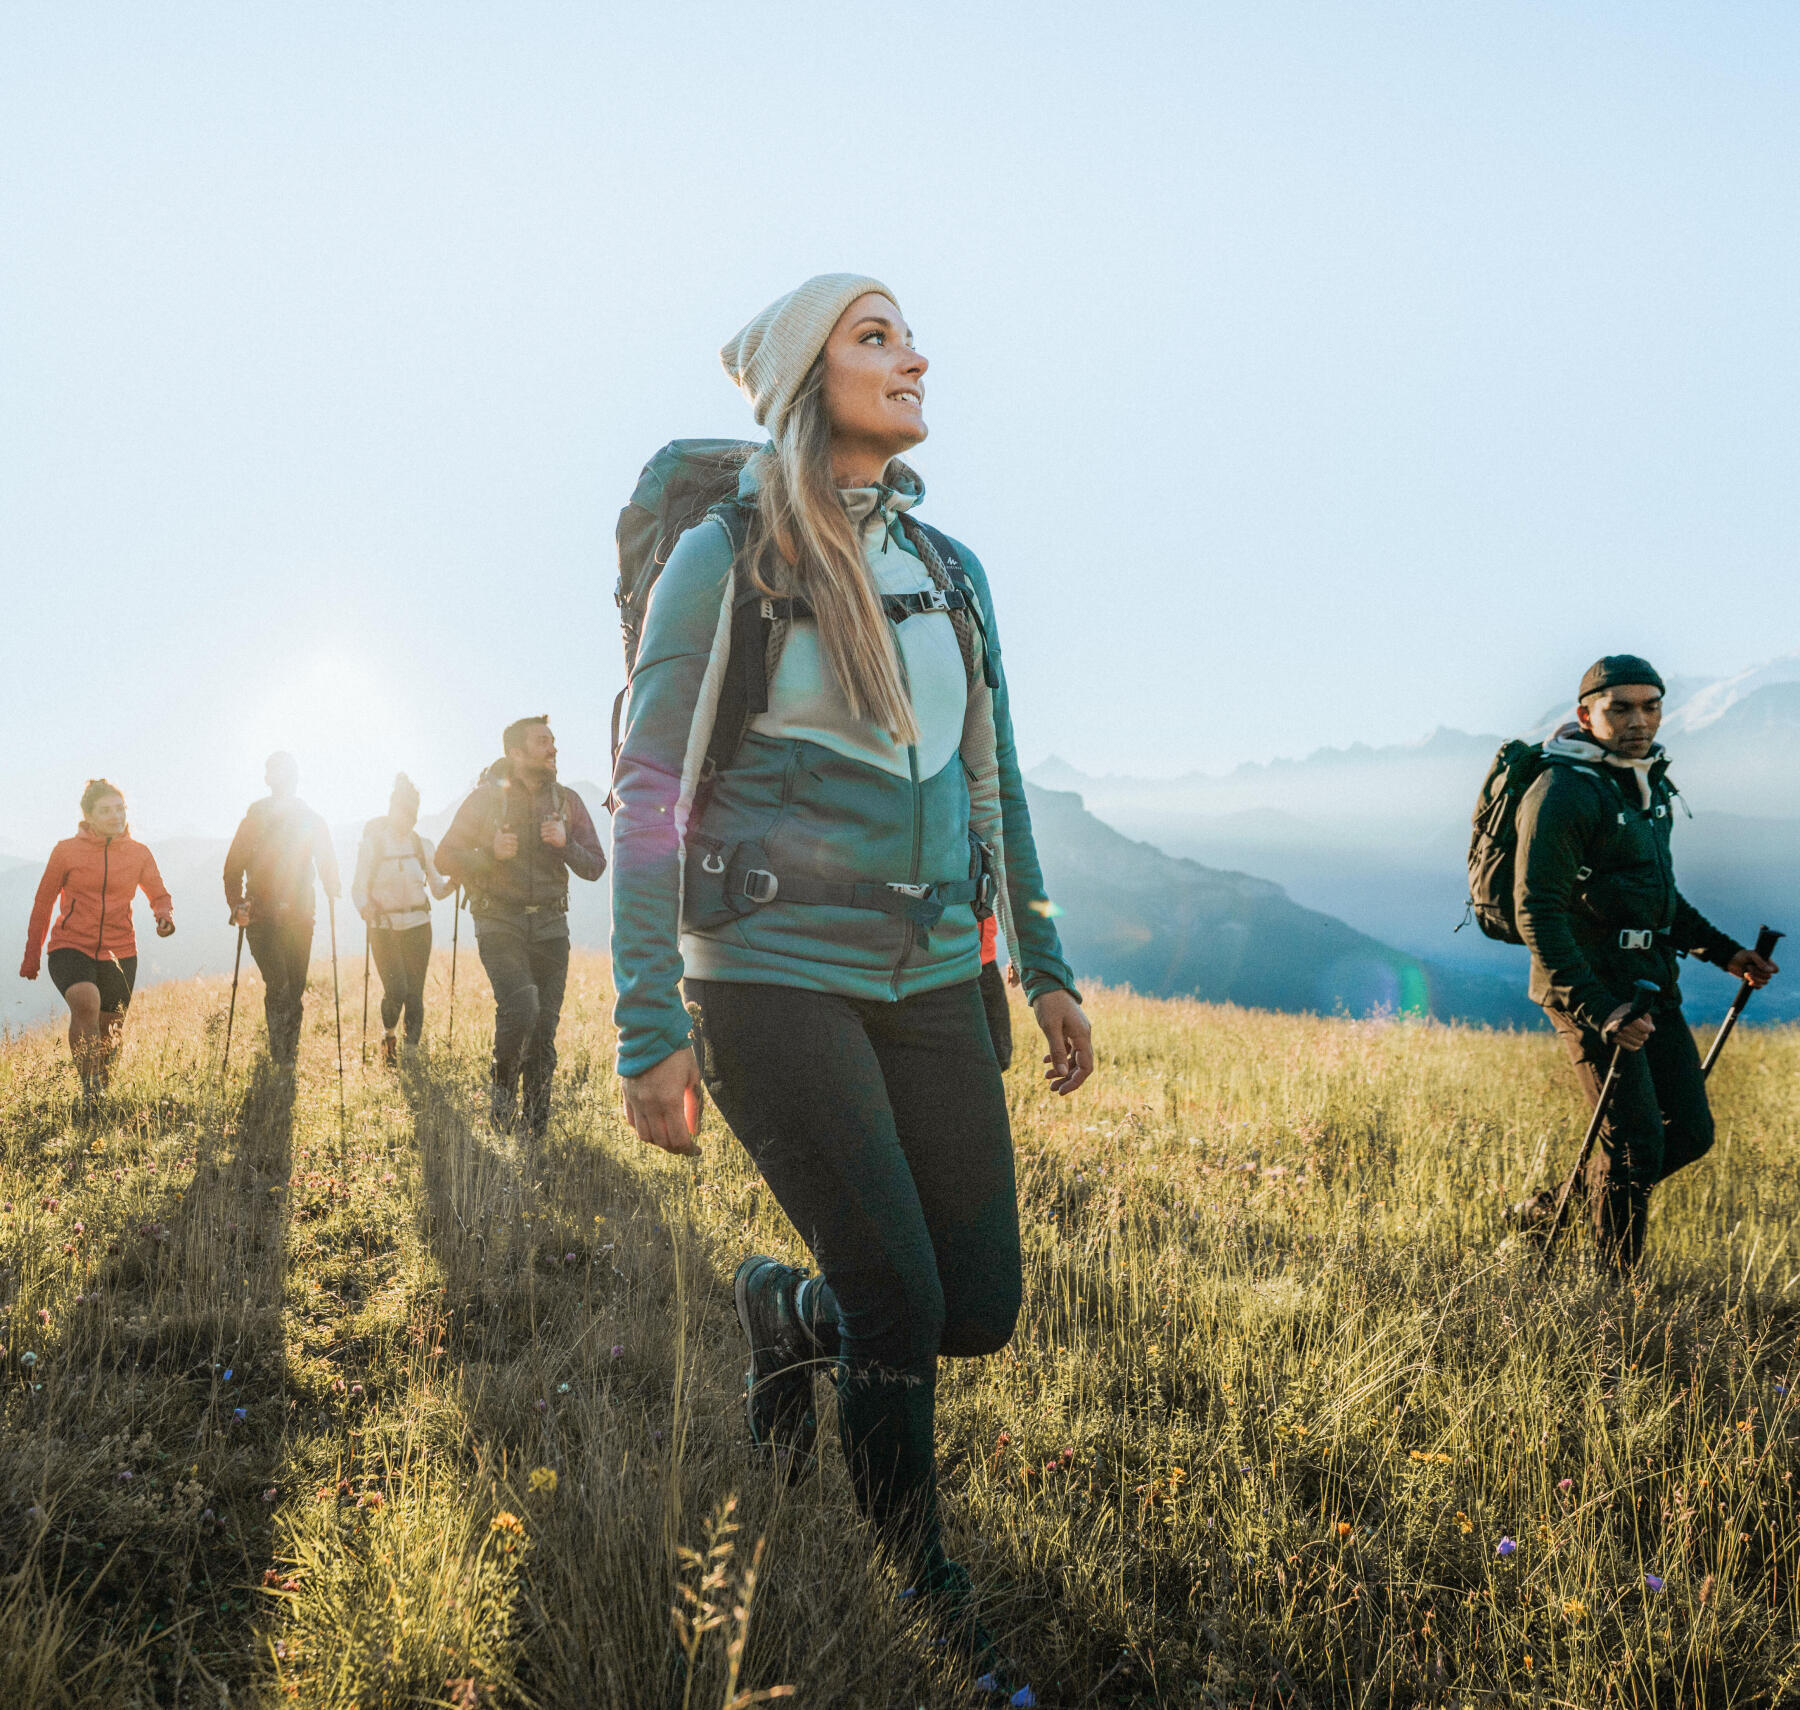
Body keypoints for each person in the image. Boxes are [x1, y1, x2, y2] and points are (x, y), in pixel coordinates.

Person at [610, 274, 1094, 1673]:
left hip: (936, 970)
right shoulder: (730, 551)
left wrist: (1044, 959)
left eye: (908, 333)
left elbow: (992, 779)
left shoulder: (952, 571)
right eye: (874, 336)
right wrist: (652, 1018)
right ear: (802, 378)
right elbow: (649, 785)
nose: (914, 355)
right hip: (770, 969)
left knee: (977, 1304)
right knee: (898, 1296)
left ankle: (786, 1306)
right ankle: (918, 1602)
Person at [1513, 655, 1778, 1265]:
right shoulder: (1562, 791)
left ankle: (1543, 1214)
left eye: (1651, 705)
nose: (1640, 720)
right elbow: (1539, 914)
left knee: (1687, 1134)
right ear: (1587, 714)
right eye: (1621, 707)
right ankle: (1610, 1303)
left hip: (1652, 984)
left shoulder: (1644, 779)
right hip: (1590, 991)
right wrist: (1601, 1009)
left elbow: (1661, 898)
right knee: (1635, 1147)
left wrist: (1725, 952)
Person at [436, 717, 605, 1135]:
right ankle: (500, 1107)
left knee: (545, 1028)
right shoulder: (484, 800)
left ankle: (535, 1130)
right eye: (543, 742)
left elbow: (597, 866)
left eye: (553, 741)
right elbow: (445, 857)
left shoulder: (567, 801)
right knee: (522, 1007)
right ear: (516, 752)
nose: (553, 749)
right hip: (498, 920)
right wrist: (488, 853)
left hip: (551, 924)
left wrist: (566, 845)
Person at [19, 779, 175, 1103]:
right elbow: (43, 903)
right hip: (70, 945)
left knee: (111, 1027)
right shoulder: (66, 851)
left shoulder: (139, 853)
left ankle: (102, 1092)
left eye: (120, 809)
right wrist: (31, 956)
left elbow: (159, 894)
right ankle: (90, 1088)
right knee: (86, 1002)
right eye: (106, 810)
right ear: (87, 816)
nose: (115, 816)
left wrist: (164, 915)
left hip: (121, 949)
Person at [223, 752, 341, 1065]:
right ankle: (282, 1057)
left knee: (295, 987)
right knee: (280, 983)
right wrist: (237, 906)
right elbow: (232, 869)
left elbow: (326, 859)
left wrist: (332, 883)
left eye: (288, 773)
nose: (284, 779)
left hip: (299, 917)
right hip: (262, 916)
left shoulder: (310, 819)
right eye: (278, 773)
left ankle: (288, 1054)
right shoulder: (256, 819)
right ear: (268, 779)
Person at [352, 773, 455, 1063]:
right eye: (404, 809)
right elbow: (358, 889)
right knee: (396, 989)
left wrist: (456, 881)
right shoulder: (373, 845)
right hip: (383, 927)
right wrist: (365, 909)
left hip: (419, 926)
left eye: (413, 811)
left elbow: (436, 888)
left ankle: (410, 1056)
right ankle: (389, 1038)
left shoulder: (423, 845)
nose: (409, 816)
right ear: (392, 808)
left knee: (415, 993)